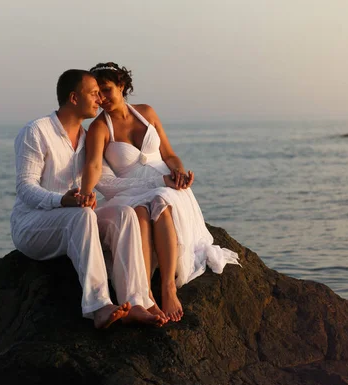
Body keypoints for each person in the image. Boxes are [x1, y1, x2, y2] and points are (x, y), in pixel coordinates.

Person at [80, 62, 239, 322]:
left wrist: (180, 173)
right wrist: (85, 195)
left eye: (107, 90)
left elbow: (170, 154)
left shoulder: (146, 113)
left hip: (167, 185)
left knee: (162, 201)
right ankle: (146, 296)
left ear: (121, 85)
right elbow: (95, 167)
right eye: (97, 93)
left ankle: (167, 287)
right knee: (142, 213)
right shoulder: (100, 127)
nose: (102, 98)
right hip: (132, 190)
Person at [11, 69, 166, 329]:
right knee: (81, 215)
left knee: (124, 214)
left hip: (74, 218)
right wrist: (63, 201)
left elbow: (105, 182)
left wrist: (160, 182)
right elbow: (25, 187)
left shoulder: (87, 138)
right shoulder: (37, 131)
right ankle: (99, 306)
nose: (99, 99)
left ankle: (136, 302)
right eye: (94, 93)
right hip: (32, 224)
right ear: (73, 98)